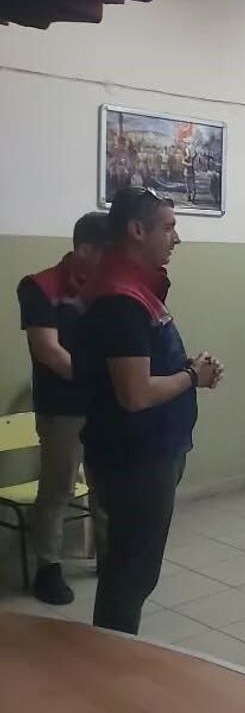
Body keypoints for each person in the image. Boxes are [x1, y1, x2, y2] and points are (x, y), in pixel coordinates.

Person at [76, 187, 224, 634]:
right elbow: (135, 394)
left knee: (131, 568)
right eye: (169, 227)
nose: (176, 238)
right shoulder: (121, 300)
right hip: (136, 458)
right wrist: (192, 377)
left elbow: (140, 366)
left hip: (150, 450)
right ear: (137, 230)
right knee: (130, 574)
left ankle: (111, 652)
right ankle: (110, 661)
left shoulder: (137, 288)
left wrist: (186, 368)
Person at [16, 212, 111, 605]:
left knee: (108, 485)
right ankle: (48, 567)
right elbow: (49, 352)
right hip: (63, 406)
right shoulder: (40, 286)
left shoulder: (110, 286)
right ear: (84, 249)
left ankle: (109, 558)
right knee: (58, 488)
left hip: (107, 403)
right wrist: (102, 380)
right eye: (108, 252)